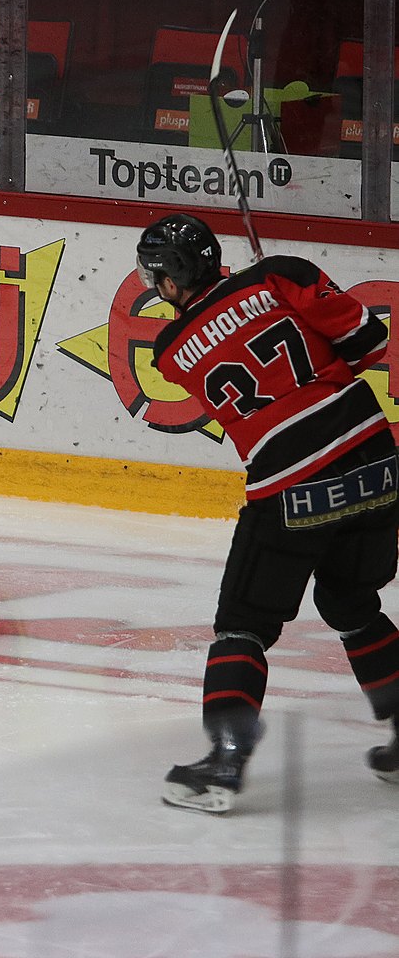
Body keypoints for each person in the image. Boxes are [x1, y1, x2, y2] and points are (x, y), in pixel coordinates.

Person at [138, 213, 399, 813]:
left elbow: (242, 361)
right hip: (375, 461)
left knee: (243, 626)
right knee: (352, 604)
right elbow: (368, 346)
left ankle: (224, 762)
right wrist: (288, 300)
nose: (156, 288)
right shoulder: (282, 276)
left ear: (176, 276)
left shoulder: (170, 350)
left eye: (157, 276)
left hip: (291, 485)